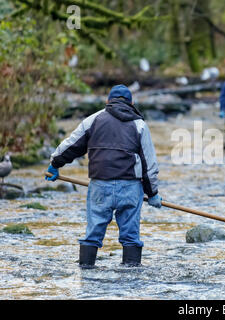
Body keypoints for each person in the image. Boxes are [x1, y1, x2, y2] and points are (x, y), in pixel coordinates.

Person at [45, 84, 162, 268]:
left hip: (100, 186)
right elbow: (149, 164)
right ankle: (131, 280)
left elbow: (70, 146)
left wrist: (54, 164)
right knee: (131, 236)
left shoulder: (93, 120)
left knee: (93, 234)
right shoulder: (140, 125)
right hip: (130, 188)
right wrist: (153, 193)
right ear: (132, 103)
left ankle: (86, 276)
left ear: (108, 101)